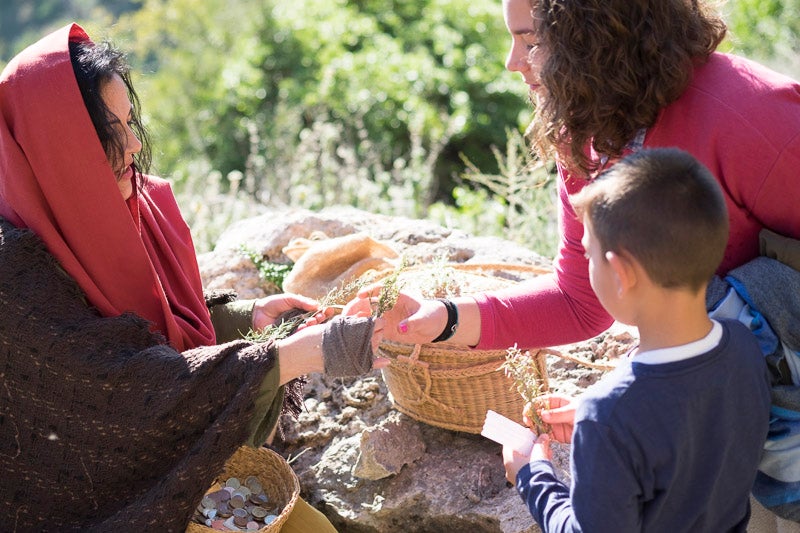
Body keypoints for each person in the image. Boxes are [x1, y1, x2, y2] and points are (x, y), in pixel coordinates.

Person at [353, 0, 800, 527]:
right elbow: (577, 301)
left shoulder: (754, 115)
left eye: (532, 42)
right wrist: (441, 317)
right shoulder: (585, 132)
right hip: (735, 421)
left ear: (595, 36)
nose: (512, 63)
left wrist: (576, 443)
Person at [0, 23, 381, 531]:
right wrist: (309, 352)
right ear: (57, 151)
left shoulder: (127, 214)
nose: (134, 143)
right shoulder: (12, 276)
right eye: (111, 133)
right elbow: (117, 391)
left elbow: (141, 325)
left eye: (130, 121)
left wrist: (245, 319)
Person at [501, 147, 771, 531]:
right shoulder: (745, 348)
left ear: (621, 273)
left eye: (589, 254)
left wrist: (533, 475)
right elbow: (690, 429)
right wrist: (605, 421)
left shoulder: (609, 417)